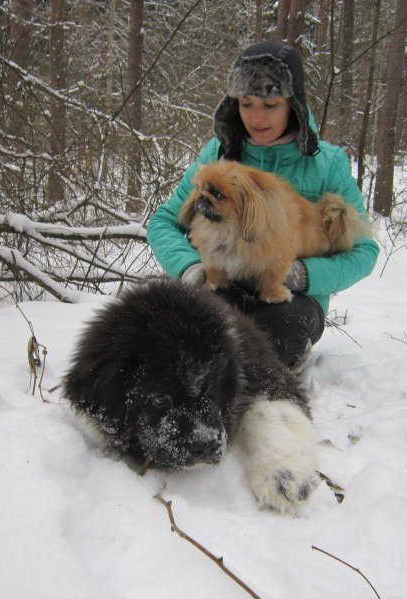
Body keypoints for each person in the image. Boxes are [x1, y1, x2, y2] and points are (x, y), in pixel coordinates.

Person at [147, 41, 379, 370]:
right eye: (246, 103)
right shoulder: (217, 153)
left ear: (292, 104)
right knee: (198, 334)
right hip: (224, 281)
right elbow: (164, 222)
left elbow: (364, 252)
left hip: (292, 300)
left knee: (271, 337)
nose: (256, 117)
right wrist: (191, 268)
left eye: (270, 104)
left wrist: (301, 275)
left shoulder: (326, 163)